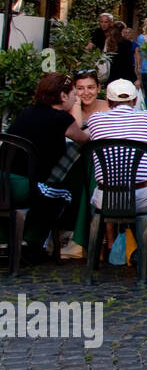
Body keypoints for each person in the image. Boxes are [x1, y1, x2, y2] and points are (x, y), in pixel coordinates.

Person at [85, 80, 147, 251]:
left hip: (106, 199)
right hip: (143, 196)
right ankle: (144, 249)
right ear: (134, 101)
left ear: (109, 102)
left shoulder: (95, 119)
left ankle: (132, 249)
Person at [5, 73, 87, 247]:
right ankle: (31, 242)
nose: (75, 98)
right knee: (63, 194)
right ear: (63, 96)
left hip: (3, 181)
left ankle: (6, 239)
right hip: (26, 186)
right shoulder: (62, 118)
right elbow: (83, 139)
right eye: (73, 94)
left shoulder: (26, 112)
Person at [105, 21, 136, 86]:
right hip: (124, 75)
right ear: (123, 30)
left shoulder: (109, 41)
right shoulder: (126, 43)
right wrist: (134, 78)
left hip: (112, 74)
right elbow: (128, 61)